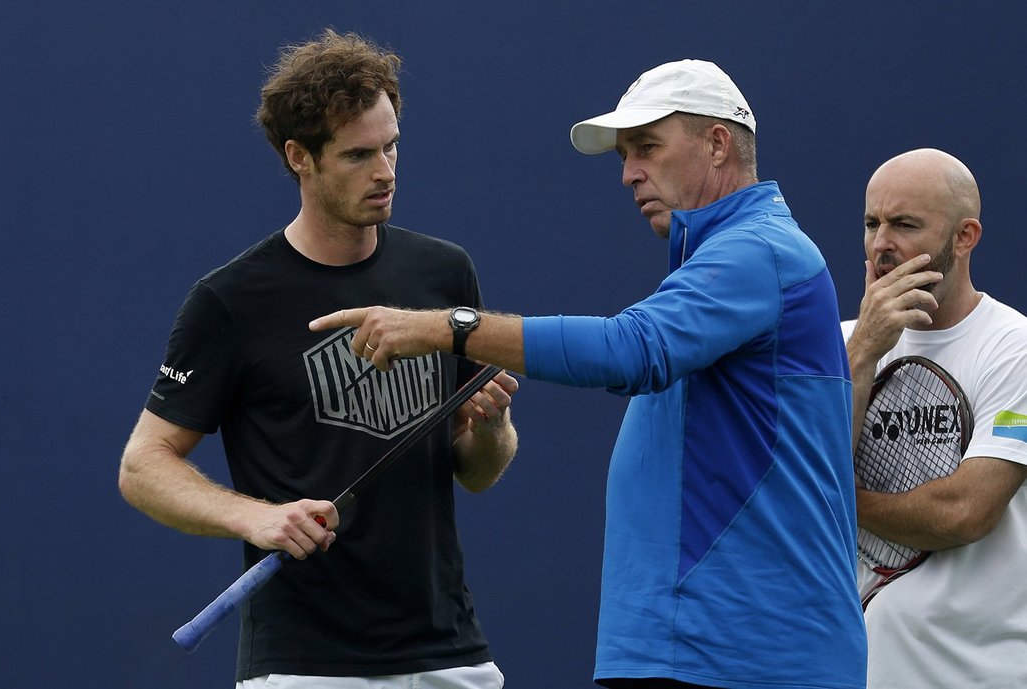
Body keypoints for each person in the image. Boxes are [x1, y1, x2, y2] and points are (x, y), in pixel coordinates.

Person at [310, 60, 867, 689]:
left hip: (751, 659)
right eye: (626, 154)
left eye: (648, 148)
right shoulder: (723, 262)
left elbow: (629, 349)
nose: (629, 173)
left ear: (716, 144)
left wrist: (446, 327)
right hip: (691, 654)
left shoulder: (760, 250)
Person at [117, 28, 519, 689]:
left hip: (451, 655)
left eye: (392, 146)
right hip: (307, 668)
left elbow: (477, 470)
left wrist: (491, 427)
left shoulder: (445, 274)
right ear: (299, 156)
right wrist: (258, 516)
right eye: (359, 155)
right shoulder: (229, 300)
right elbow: (142, 466)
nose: (386, 171)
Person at [843, 148, 1027, 688]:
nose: (882, 245)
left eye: (904, 225)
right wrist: (862, 354)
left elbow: (964, 511)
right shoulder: (839, 348)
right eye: (872, 224)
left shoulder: (1017, 352)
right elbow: (792, 492)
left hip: (980, 675)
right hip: (859, 671)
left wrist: (837, 497)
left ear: (964, 237)